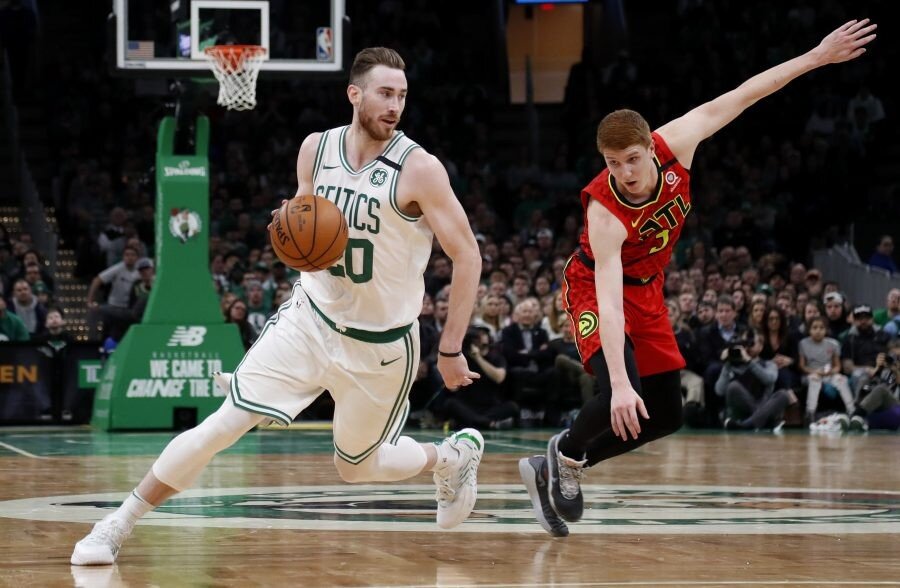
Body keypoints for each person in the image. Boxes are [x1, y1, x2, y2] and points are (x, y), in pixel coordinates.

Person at [72, 47, 485, 566]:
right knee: (223, 425)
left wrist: (450, 348)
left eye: (401, 96)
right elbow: (304, 221)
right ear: (354, 94)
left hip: (379, 345)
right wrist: (288, 223)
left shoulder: (419, 169)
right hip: (310, 319)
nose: (394, 105)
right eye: (384, 93)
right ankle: (116, 524)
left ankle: (448, 456)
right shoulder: (315, 149)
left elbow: (467, 255)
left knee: (355, 468)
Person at [519, 19, 877, 536]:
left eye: (633, 159)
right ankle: (567, 458)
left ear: (650, 147)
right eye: (614, 163)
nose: (625, 171)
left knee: (665, 414)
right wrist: (619, 383)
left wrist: (816, 56)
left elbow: (745, 93)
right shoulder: (604, 211)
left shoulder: (676, 143)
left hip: (648, 291)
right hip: (596, 287)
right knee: (618, 394)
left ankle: (560, 459)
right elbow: (610, 301)